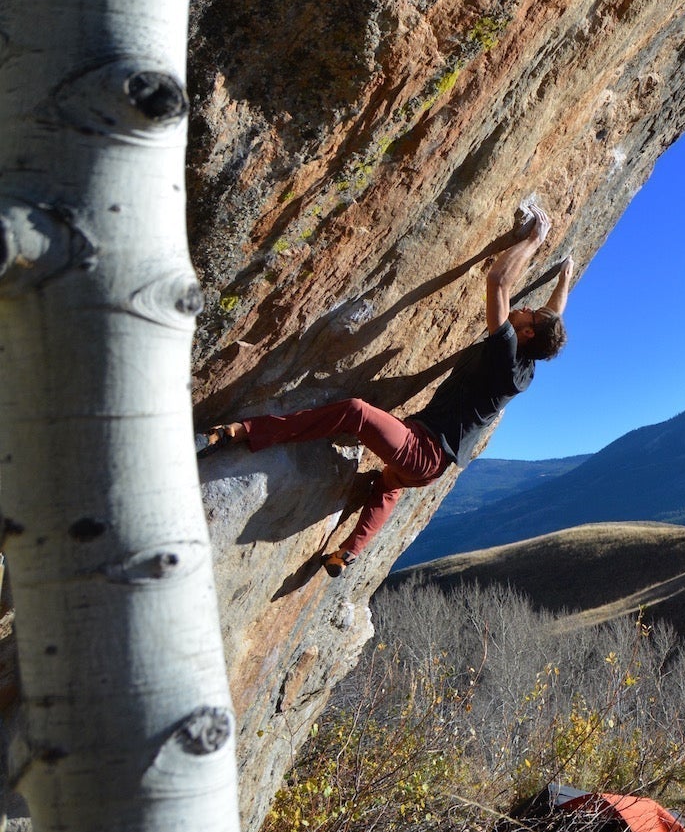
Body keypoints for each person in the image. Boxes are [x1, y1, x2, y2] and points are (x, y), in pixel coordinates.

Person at [199, 209, 571, 575]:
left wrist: (534, 239)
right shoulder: (526, 365)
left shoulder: (506, 357)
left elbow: (498, 283)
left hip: (423, 449)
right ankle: (348, 553)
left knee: (355, 412)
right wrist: (564, 278)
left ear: (527, 335)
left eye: (529, 314)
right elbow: (551, 316)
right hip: (429, 465)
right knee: (388, 484)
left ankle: (247, 432)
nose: (523, 309)